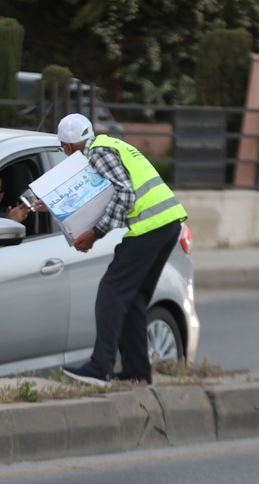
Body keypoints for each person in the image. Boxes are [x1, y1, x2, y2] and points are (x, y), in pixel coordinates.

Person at [57, 113, 188, 387]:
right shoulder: (111, 144)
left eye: (63, 149)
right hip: (168, 223)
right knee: (134, 298)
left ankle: (100, 367)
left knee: (111, 292)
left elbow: (125, 193)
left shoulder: (98, 153)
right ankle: (137, 372)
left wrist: (96, 233)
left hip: (150, 225)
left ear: (67, 146)